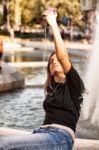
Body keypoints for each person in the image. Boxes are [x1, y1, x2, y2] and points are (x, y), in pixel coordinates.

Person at [0, 8, 85, 150]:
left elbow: (63, 56)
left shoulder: (75, 84)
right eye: (51, 61)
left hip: (61, 136)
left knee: (4, 144)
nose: (54, 62)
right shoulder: (51, 88)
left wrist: (53, 24)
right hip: (42, 132)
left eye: (57, 59)